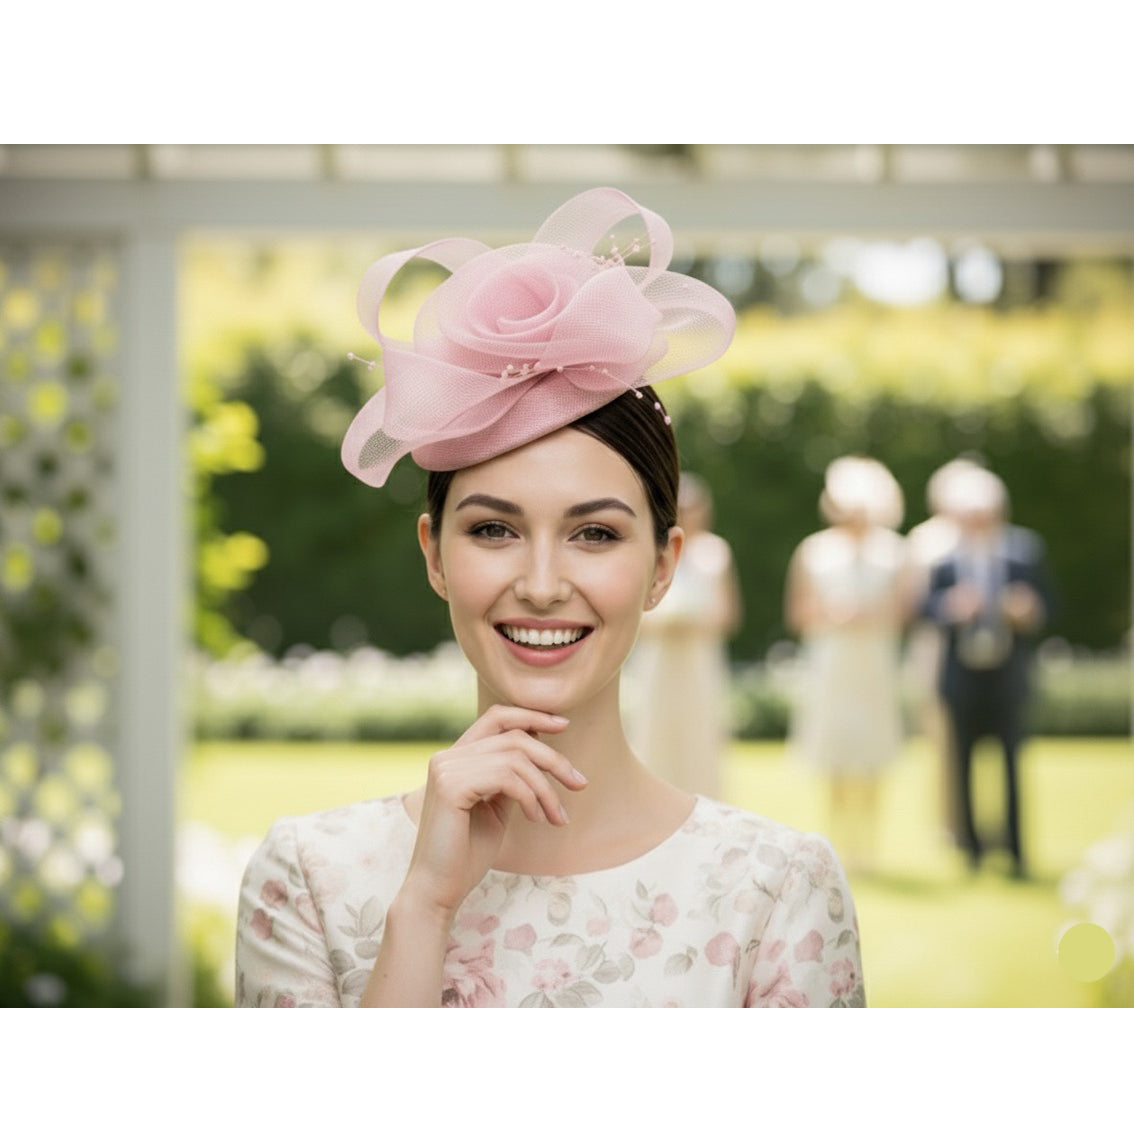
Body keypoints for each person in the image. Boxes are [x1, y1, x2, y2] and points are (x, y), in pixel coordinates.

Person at [234, 187, 865, 1008]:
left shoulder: (777, 893)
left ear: (663, 565)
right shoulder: (309, 881)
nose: (539, 585)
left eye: (594, 534)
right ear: (433, 554)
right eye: (493, 531)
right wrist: (422, 909)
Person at [784, 456, 914, 875]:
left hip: (874, 663)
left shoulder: (894, 551)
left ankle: (869, 845)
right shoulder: (814, 549)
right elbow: (798, 611)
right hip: (831, 662)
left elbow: (905, 609)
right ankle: (838, 839)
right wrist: (832, 615)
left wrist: (869, 615)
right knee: (834, 752)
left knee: (873, 751)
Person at [922, 465, 1053, 879]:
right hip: (961, 676)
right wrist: (952, 608)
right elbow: (925, 609)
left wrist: (1026, 611)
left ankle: (1015, 850)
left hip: (1007, 675)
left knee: (1012, 764)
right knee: (962, 763)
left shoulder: (1023, 553)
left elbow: (1049, 604)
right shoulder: (945, 561)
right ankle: (972, 850)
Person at [627, 472, 742, 799]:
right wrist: (666, 623)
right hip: (658, 659)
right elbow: (634, 616)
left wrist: (692, 622)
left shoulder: (716, 553)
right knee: (654, 732)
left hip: (698, 659)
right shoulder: (651, 551)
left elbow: (728, 614)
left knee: (700, 734)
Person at [903, 456, 983, 848]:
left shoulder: (985, 534)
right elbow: (913, 600)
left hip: (980, 650)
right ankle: (947, 820)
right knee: (938, 734)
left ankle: (970, 822)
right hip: (934, 648)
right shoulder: (926, 540)